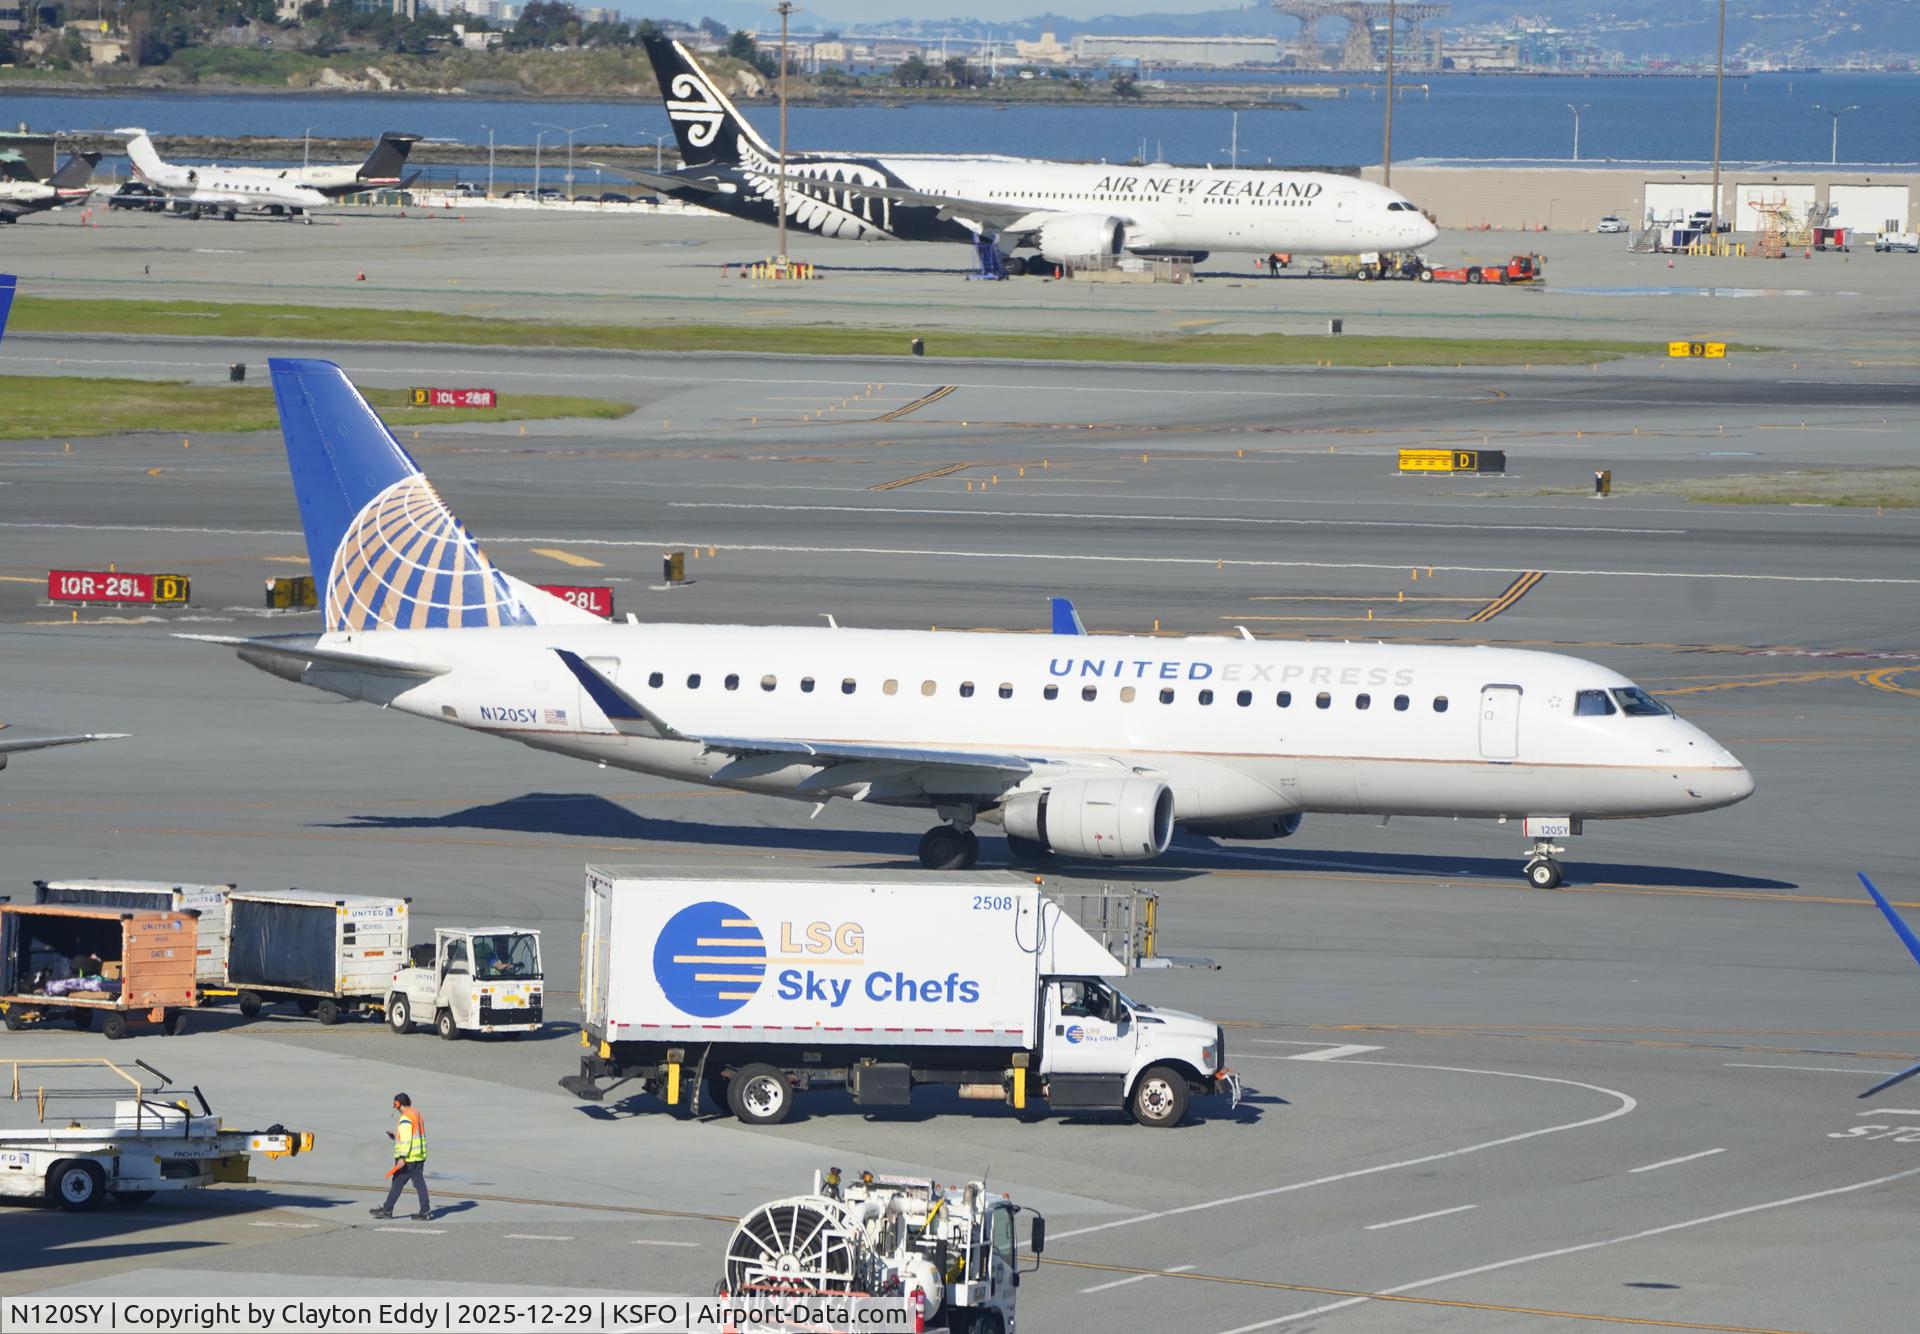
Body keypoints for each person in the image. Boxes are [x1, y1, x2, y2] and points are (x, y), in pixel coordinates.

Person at [370, 1092, 431, 1220]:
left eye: (395, 1104)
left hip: (408, 1159)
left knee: (397, 1183)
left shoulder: (405, 1118)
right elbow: (412, 1135)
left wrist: (402, 1157)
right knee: (420, 1184)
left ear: (398, 1104)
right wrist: (396, 1136)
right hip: (418, 1155)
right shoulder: (416, 1113)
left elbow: (407, 1139)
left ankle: (387, 1210)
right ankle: (425, 1212)